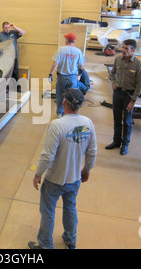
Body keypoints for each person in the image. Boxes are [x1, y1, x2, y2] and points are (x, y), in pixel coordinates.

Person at [28, 89, 97, 249]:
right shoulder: (88, 123)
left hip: (54, 180)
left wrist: (38, 174)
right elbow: (92, 152)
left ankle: (45, 245)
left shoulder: (57, 125)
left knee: (48, 212)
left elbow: (47, 155)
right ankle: (70, 239)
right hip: (74, 179)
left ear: (64, 102)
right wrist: (87, 169)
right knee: (70, 207)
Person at [106, 39, 141, 155]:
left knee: (127, 121)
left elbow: (139, 84)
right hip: (117, 93)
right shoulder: (118, 59)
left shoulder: (138, 64)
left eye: (126, 48)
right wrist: (113, 82)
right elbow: (112, 73)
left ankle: (125, 144)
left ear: (133, 50)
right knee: (116, 119)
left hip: (129, 95)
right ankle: (116, 141)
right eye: (123, 47)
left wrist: (133, 101)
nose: (123, 50)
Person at [48, 33, 85, 118]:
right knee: (72, 95)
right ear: (74, 41)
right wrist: (79, 74)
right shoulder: (78, 51)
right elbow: (81, 66)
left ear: (67, 40)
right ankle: (70, 113)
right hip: (72, 77)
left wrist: (50, 73)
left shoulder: (61, 50)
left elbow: (55, 63)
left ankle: (59, 113)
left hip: (62, 76)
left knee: (59, 94)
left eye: (66, 39)